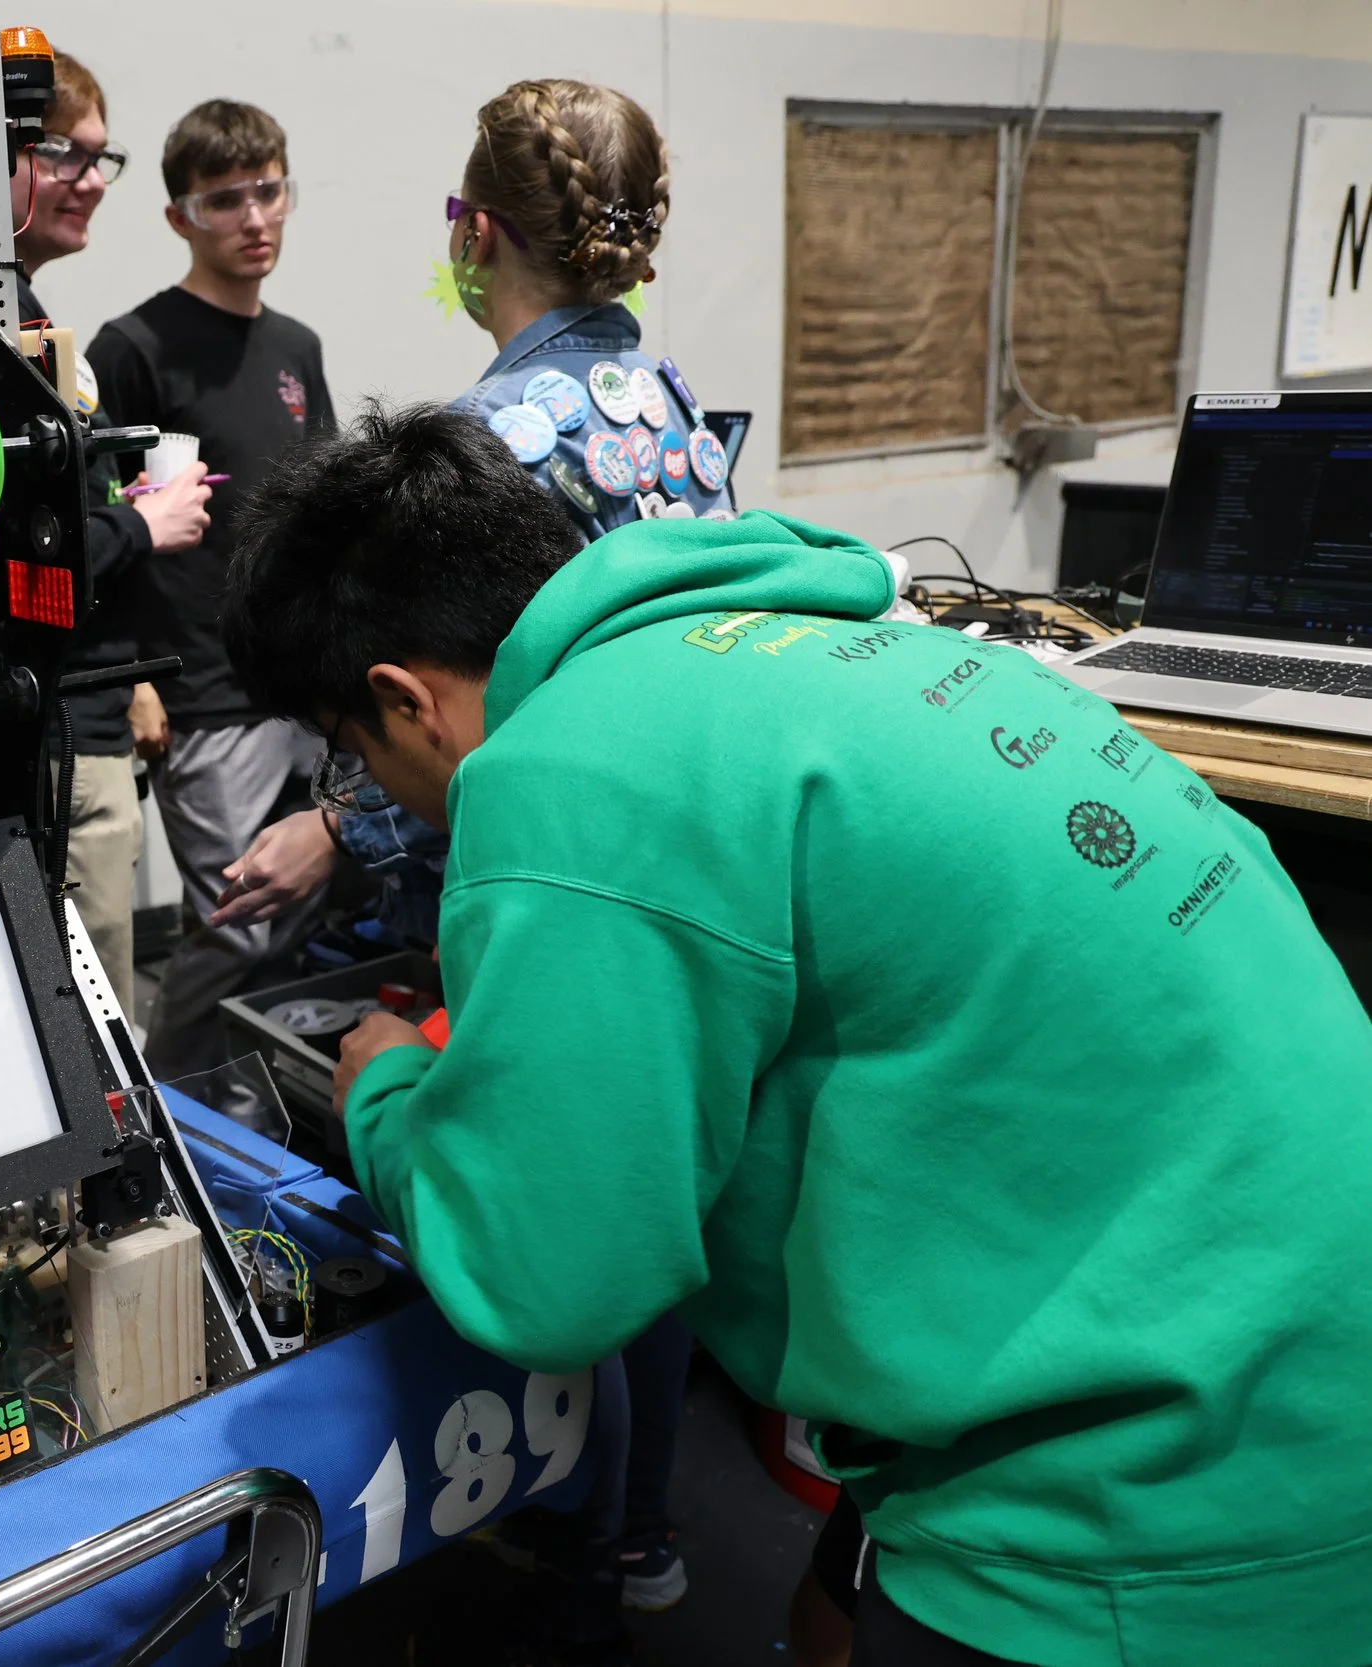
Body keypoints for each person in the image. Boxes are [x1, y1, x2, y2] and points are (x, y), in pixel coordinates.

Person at [222, 403, 1372, 1667]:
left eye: (351, 759)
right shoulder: (835, 631)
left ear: (399, 696)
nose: (371, 793)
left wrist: (387, 1093)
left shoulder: (568, 763)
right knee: (822, 1620)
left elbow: (547, 1276)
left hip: (1169, 1497)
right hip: (1294, 1322)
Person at [211, 79, 707, 1638]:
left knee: (527, 1193)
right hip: (670, 855)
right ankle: (641, 1528)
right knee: (655, 1183)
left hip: (516, 865)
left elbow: (425, 702)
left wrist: (332, 826)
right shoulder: (673, 406)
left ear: (470, 231)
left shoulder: (488, 434)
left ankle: (537, 1516)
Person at [86, 99, 334, 1081]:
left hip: (304, 685)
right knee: (237, 919)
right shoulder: (133, 348)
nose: (253, 217)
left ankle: (253, 1094)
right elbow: (109, 526)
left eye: (267, 190)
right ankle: (173, 1106)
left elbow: (312, 518)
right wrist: (137, 677)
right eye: (224, 200)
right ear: (180, 216)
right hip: (202, 691)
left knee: (318, 899)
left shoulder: (297, 348)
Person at [6, 51, 212, 1017]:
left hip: (76, 722)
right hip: (53, 745)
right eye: (65, 155)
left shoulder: (28, 322)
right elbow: (17, 562)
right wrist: (140, 522)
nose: (91, 181)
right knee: (100, 1042)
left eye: (101, 159)